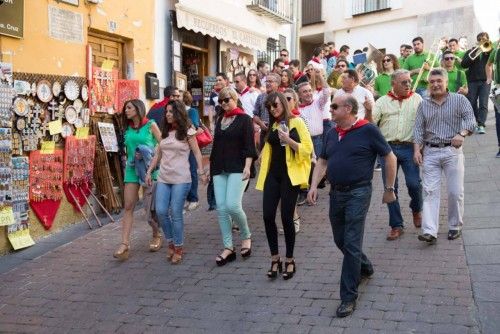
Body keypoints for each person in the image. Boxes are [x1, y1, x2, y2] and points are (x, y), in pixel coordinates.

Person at [308, 94, 397, 318]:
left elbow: (390, 157)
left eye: (335, 106)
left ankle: (348, 297)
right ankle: (364, 266)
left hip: (359, 191)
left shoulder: (368, 130)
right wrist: (312, 186)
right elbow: (322, 160)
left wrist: (389, 189)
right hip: (335, 193)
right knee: (341, 239)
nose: (330, 109)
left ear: (348, 108)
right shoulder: (331, 132)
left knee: (351, 240)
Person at [413, 68, 476, 244]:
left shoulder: (459, 99)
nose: (435, 84)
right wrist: (417, 150)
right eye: (432, 82)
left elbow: (470, 120)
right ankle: (429, 231)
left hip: (452, 151)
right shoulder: (423, 104)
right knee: (430, 191)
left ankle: (455, 226)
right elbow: (418, 128)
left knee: (455, 192)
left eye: (439, 81)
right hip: (430, 152)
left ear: (446, 82)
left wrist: (461, 134)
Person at [256, 92, 313, 280]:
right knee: (267, 216)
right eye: (270, 107)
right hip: (273, 176)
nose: (273, 109)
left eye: (276, 105)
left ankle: (290, 259)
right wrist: (261, 156)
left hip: (290, 176)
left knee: (287, 218)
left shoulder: (296, 122)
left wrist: (289, 141)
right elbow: (269, 146)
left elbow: (308, 150)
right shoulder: (272, 125)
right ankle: (274, 258)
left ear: (283, 104)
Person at [146, 100, 206, 263]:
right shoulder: (164, 131)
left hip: (181, 178)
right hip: (164, 178)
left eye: (171, 112)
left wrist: (201, 172)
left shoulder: (188, 131)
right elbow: (158, 154)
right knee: (160, 211)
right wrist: (149, 171)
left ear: (178, 113)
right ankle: (170, 242)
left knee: (175, 213)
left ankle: (178, 246)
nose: (168, 114)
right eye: (167, 112)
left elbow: (197, 153)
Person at [373, 69, 423, 240]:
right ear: (393, 84)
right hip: (388, 150)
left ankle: (416, 209)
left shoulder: (417, 99)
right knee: (390, 188)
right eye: (404, 82)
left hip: (409, 148)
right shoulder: (381, 102)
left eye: (409, 81)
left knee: (414, 184)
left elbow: (423, 123)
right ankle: (396, 225)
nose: (408, 84)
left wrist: (421, 148)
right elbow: (371, 123)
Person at [210, 87, 257, 266]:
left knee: (232, 205)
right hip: (219, 167)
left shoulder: (245, 119)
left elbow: (249, 145)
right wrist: (209, 169)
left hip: (238, 167)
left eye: (227, 99)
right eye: (221, 101)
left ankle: (246, 235)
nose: (224, 103)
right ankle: (228, 247)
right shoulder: (220, 119)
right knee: (221, 208)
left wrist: (247, 166)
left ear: (235, 99)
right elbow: (216, 145)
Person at [114, 99, 163, 261]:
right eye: (125, 108)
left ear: (138, 109)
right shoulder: (127, 128)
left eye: (129, 108)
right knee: (128, 205)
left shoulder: (151, 124)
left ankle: (156, 234)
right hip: (132, 169)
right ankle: (125, 244)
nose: (126, 111)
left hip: (149, 169)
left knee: (149, 208)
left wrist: (150, 154)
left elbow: (162, 145)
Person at [462, 32, 492, 134]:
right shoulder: (471, 51)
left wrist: (487, 50)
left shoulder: (489, 51)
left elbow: (493, 61)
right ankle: (475, 121)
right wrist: (475, 52)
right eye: (480, 39)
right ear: (477, 41)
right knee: (472, 102)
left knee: (483, 103)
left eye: (484, 39)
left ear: (487, 40)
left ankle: (481, 124)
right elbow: (463, 64)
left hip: (485, 81)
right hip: (472, 81)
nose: (482, 41)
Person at [182, 91, 202, 212]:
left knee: (192, 171)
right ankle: (187, 198)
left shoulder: (192, 111)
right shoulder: (174, 112)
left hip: (189, 145)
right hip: (179, 147)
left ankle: (193, 198)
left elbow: (194, 126)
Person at [254, 73, 281, 149]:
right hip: (264, 132)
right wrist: (260, 123)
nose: (268, 84)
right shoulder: (261, 97)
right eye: (267, 81)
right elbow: (255, 115)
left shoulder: (282, 97)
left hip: (278, 131)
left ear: (277, 84)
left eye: (270, 81)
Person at [486, 31, 500, 157]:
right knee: (499, 119)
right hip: (498, 88)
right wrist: (489, 78)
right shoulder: (495, 48)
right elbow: (488, 65)